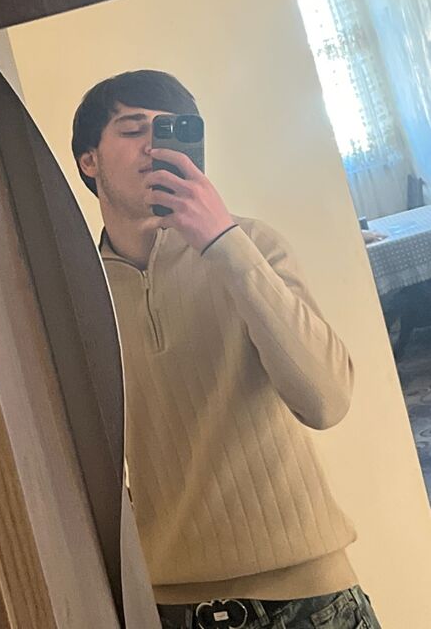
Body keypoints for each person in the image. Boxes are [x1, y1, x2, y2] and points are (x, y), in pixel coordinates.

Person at [71, 70, 381, 629]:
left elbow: (326, 401)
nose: (153, 146)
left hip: (312, 603)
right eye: (133, 129)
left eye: (169, 130)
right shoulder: (79, 294)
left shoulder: (252, 244)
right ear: (88, 160)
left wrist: (222, 243)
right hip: (170, 608)